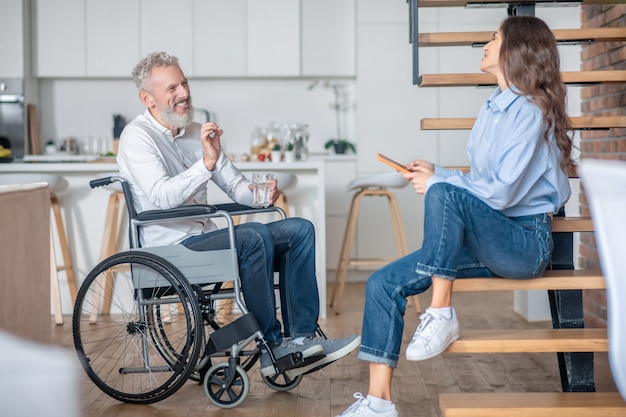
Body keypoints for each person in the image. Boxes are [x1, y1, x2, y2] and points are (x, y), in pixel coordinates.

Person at [337, 16, 574, 417]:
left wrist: (440, 185)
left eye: (494, 37)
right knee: (382, 283)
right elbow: (480, 182)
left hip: (524, 243)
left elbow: (499, 194)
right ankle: (378, 404)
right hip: (487, 237)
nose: (485, 43)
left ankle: (441, 311)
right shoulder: (491, 110)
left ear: (517, 49)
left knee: (444, 194)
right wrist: (438, 173)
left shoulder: (532, 112)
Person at [116, 51, 360, 379]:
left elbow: (237, 188)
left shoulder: (196, 131)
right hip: (169, 249)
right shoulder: (137, 138)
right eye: (172, 88)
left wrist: (260, 194)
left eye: (185, 83)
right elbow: (161, 199)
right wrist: (206, 162)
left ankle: (301, 338)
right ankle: (273, 348)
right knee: (251, 235)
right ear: (147, 98)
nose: (184, 93)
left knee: (300, 229)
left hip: (203, 238)